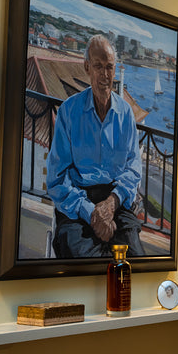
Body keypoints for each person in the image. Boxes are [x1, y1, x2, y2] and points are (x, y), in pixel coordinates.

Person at [46, 34, 145, 258]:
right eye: (98, 66)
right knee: (82, 264)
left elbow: (133, 169)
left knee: (136, 261)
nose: (105, 75)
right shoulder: (69, 112)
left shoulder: (125, 113)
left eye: (109, 67)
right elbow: (56, 179)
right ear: (87, 67)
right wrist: (91, 212)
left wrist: (111, 204)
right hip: (77, 201)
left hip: (115, 199)